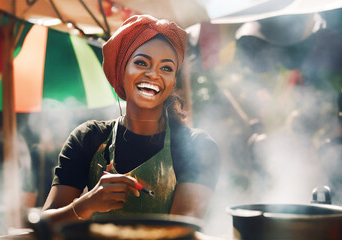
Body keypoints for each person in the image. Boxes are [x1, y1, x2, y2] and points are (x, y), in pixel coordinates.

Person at [41, 15, 220, 223]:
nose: (153, 74)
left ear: (173, 82)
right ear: (121, 72)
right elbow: (43, 225)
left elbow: (182, 230)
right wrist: (87, 204)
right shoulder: (87, 139)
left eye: (166, 68)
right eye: (142, 63)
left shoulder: (197, 147)